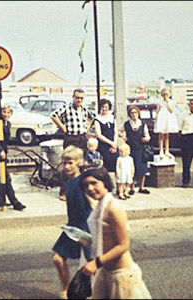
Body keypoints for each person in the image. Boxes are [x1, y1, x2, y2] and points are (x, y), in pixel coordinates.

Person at [80, 167, 152, 299]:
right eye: (86, 185)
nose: (90, 188)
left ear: (105, 183)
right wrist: (86, 240)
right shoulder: (100, 206)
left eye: (94, 183)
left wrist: (96, 263)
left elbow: (123, 246)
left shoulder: (114, 208)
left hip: (121, 274)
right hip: (106, 271)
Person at [52, 145, 95, 300]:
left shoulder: (81, 182)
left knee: (92, 265)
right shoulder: (70, 182)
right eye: (64, 163)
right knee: (58, 259)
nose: (67, 166)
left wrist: (87, 232)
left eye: (70, 162)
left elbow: (89, 207)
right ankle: (67, 289)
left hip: (83, 228)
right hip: (72, 227)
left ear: (78, 162)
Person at [50, 88, 95, 200]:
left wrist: (87, 128)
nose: (79, 100)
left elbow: (93, 117)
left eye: (81, 98)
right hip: (71, 138)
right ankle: (64, 192)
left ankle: (80, 190)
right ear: (73, 97)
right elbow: (53, 115)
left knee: (81, 165)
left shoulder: (85, 109)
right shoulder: (67, 108)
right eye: (77, 97)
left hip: (82, 138)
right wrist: (63, 127)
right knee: (68, 164)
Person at [0, 105, 26, 211]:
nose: (6, 114)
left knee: (0, 176)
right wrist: (0, 150)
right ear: (0, 112)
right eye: (4, 111)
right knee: (6, 176)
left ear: (11, 114)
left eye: (8, 112)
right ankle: (15, 202)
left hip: (3, 152)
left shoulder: (8, 124)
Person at [119, 106, 151, 194]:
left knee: (142, 169)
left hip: (141, 149)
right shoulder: (126, 124)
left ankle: (142, 187)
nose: (134, 114)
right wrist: (123, 137)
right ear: (129, 114)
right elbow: (118, 130)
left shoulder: (143, 124)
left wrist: (146, 138)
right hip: (130, 150)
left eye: (135, 112)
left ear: (138, 113)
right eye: (132, 113)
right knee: (131, 169)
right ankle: (132, 188)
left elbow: (147, 135)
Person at [93, 98, 119, 173]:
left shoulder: (112, 117)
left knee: (116, 165)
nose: (104, 109)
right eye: (103, 107)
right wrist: (111, 143)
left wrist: (115, 144)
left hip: (114, 145)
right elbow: (98, 135)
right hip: (103, 145)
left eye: (106, 107)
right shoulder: (97, 119)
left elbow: (116, 131)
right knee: (105, 166)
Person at [154, 87, 179, 158]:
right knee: (161, 135)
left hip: (168, 118)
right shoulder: (159, 102)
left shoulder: (172, 102)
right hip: (162, 118)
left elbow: (171, 110)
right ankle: (161, 150)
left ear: (169, 94)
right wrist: (156, 119)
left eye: (167, 94)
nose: (165, 96)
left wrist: (168, 102)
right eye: (164, 94)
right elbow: (157, 111)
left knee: (167, 135)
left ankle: (167, 150)